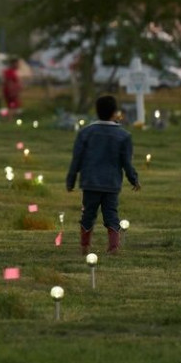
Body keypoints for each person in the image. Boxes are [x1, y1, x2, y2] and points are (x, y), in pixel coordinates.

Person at [66, 95, 141, 255]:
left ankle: (85, 246)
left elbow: (77, 159)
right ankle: (113, 247)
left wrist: (71, 180)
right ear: (115, 113)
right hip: (111, 183)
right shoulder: (124, 136)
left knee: (88, 214)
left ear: (97, 111)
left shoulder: (85, 133)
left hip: (90, 182)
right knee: (111, 214)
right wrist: (133, 178)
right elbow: (126, 162)